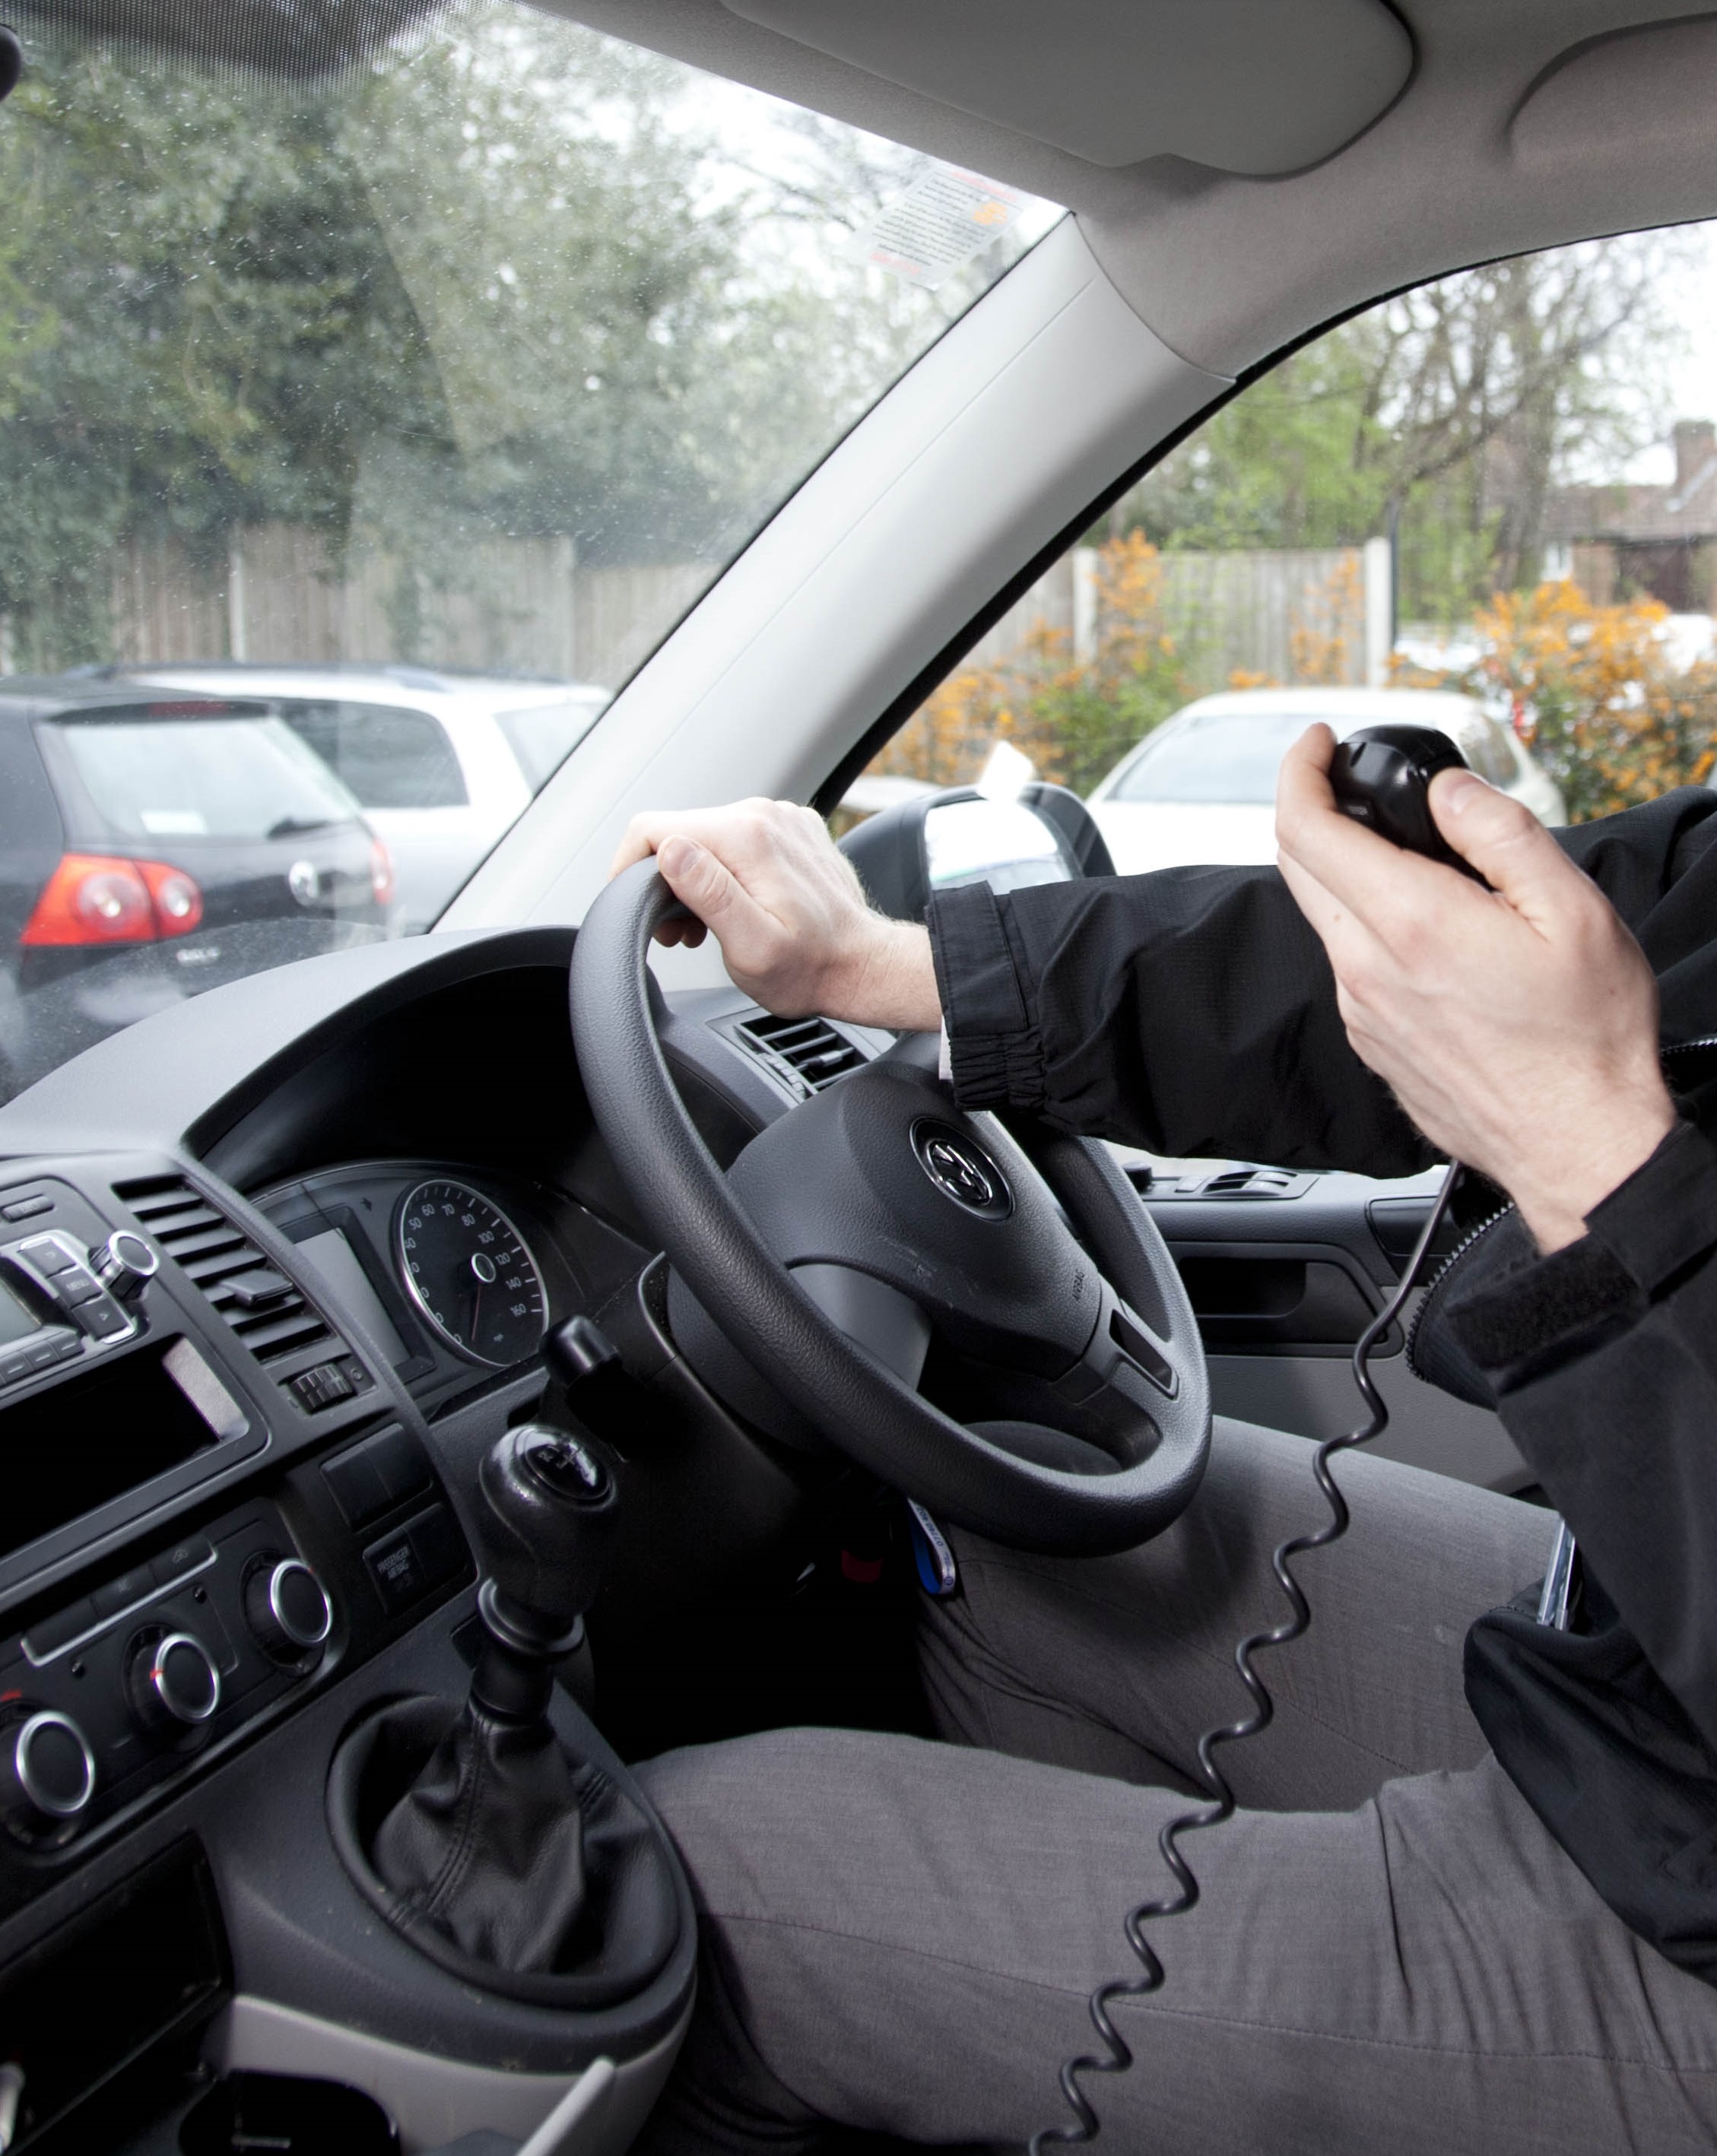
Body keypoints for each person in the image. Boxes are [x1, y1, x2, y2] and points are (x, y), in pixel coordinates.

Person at [612, 724, 1717, 2155]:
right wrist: (873, 964)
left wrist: (1582, 1155)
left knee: (684, 1884)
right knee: (1043, 1526)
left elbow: (1583, 1076)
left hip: (1683, 1938)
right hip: (1650, 1694)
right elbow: (1607, 942)